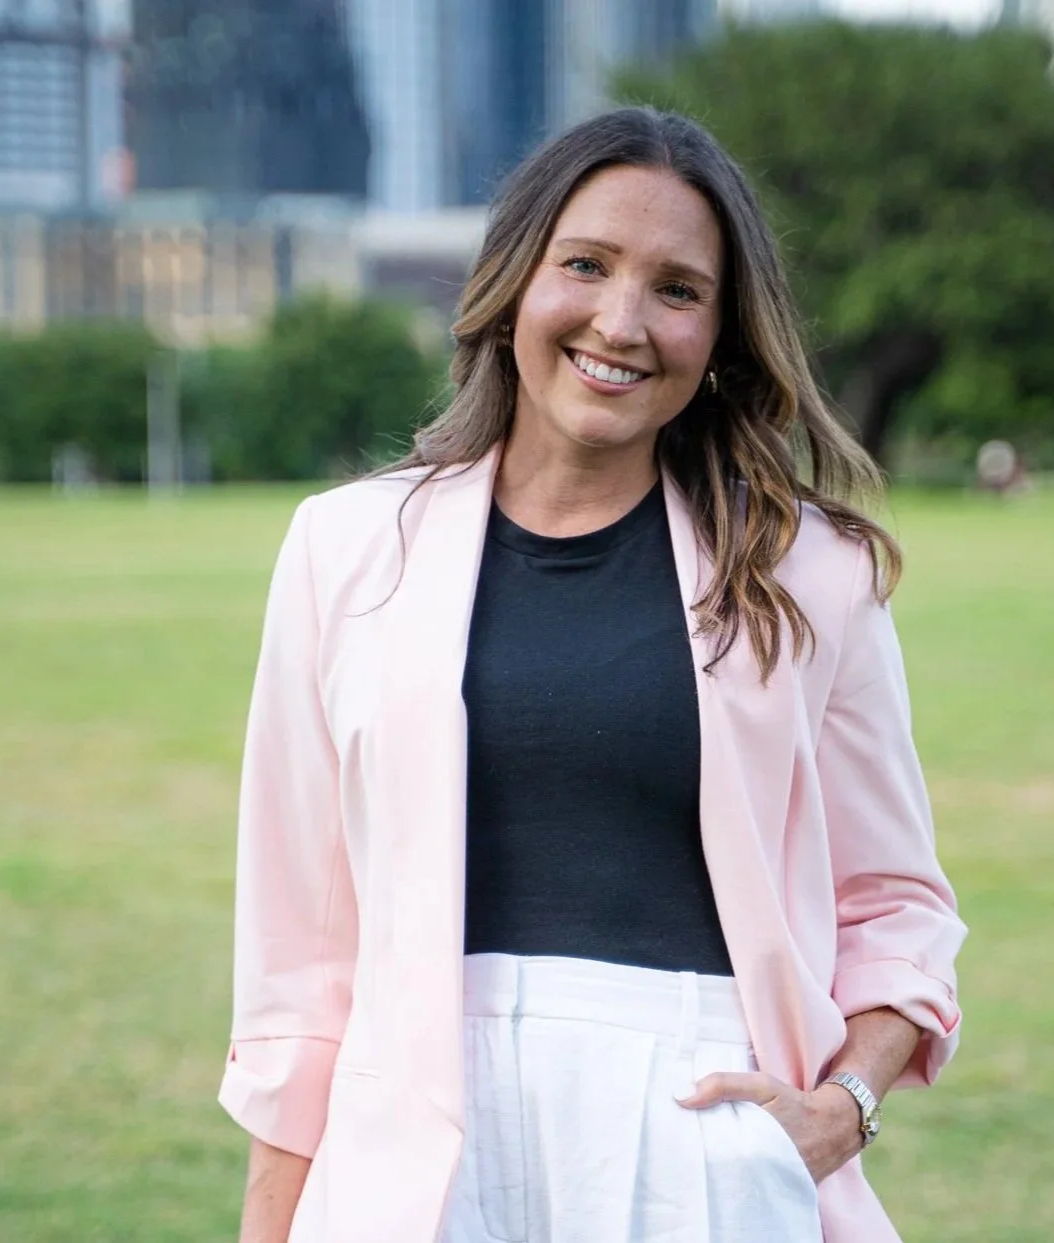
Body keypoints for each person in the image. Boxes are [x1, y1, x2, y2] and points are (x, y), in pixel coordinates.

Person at [219, 107, 966, 1243]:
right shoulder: (346, 548)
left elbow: (894, 905)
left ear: (720, 335)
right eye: (584, 264)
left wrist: (839, 1109)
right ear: (514, 279)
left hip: (697, 1146)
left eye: (677, 289)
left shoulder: (809, 573)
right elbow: (298, 957)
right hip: (414, 1150)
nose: (621, 322)